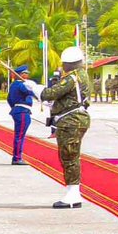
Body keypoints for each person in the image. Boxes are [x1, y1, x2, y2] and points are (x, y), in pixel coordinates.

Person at [22, 46, 91, 208]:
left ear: (70, 64)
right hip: (75, 119)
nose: (63, 66)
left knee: (69, 156)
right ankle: (73, 192)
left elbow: (49, 94)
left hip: (71, 121)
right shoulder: (82, 75)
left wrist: (34, 88)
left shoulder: (72, 78)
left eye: (65, 64)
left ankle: (73, 194)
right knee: (70, 156)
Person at [7, 65, 35, 166]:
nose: (27, 75)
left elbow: (9, 99)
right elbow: (31, 93)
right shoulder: (21, 85)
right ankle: (17, 158)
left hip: (18, 110)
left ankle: (17, 156)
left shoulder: (14, 85)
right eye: (25, 73)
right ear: (21, 74)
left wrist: (15, 108)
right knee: (20, 135)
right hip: (22, 111)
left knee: (19, 135)